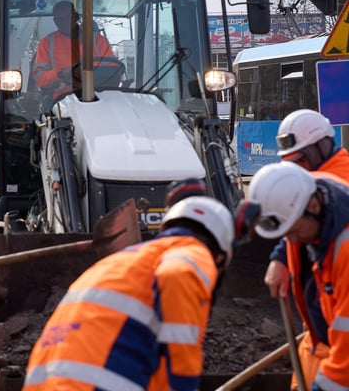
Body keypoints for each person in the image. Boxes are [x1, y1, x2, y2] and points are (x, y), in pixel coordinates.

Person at [24, 195, 234, 391]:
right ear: (220, 257)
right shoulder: (192, 251)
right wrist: (184, 383)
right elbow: (176, 274)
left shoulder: (119, 263)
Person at [245, 162, 349, 391]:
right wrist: (280, 257)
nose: (291, 242)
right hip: (323, 344)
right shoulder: (312, 189)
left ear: (313, 206)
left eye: (293, 231)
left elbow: (346, 359)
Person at [266, 109, 349, 390]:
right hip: (318, 330)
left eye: (301, 160)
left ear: (323, 147)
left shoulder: (338, 183)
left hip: (335, 329)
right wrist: (281, 256)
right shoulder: (308, 186)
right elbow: (299, 219)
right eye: (290, 163)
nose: (297, 169)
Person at [31, 0, 116, 99]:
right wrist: (60, 74)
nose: (64, 22)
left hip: (100, 94)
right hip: (62, 98)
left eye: (68, 17)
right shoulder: (46, 43)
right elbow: (39, 77)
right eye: (60, 19)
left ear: (76, 17)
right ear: (55, 21)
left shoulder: (97, 40)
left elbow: (114, 69)